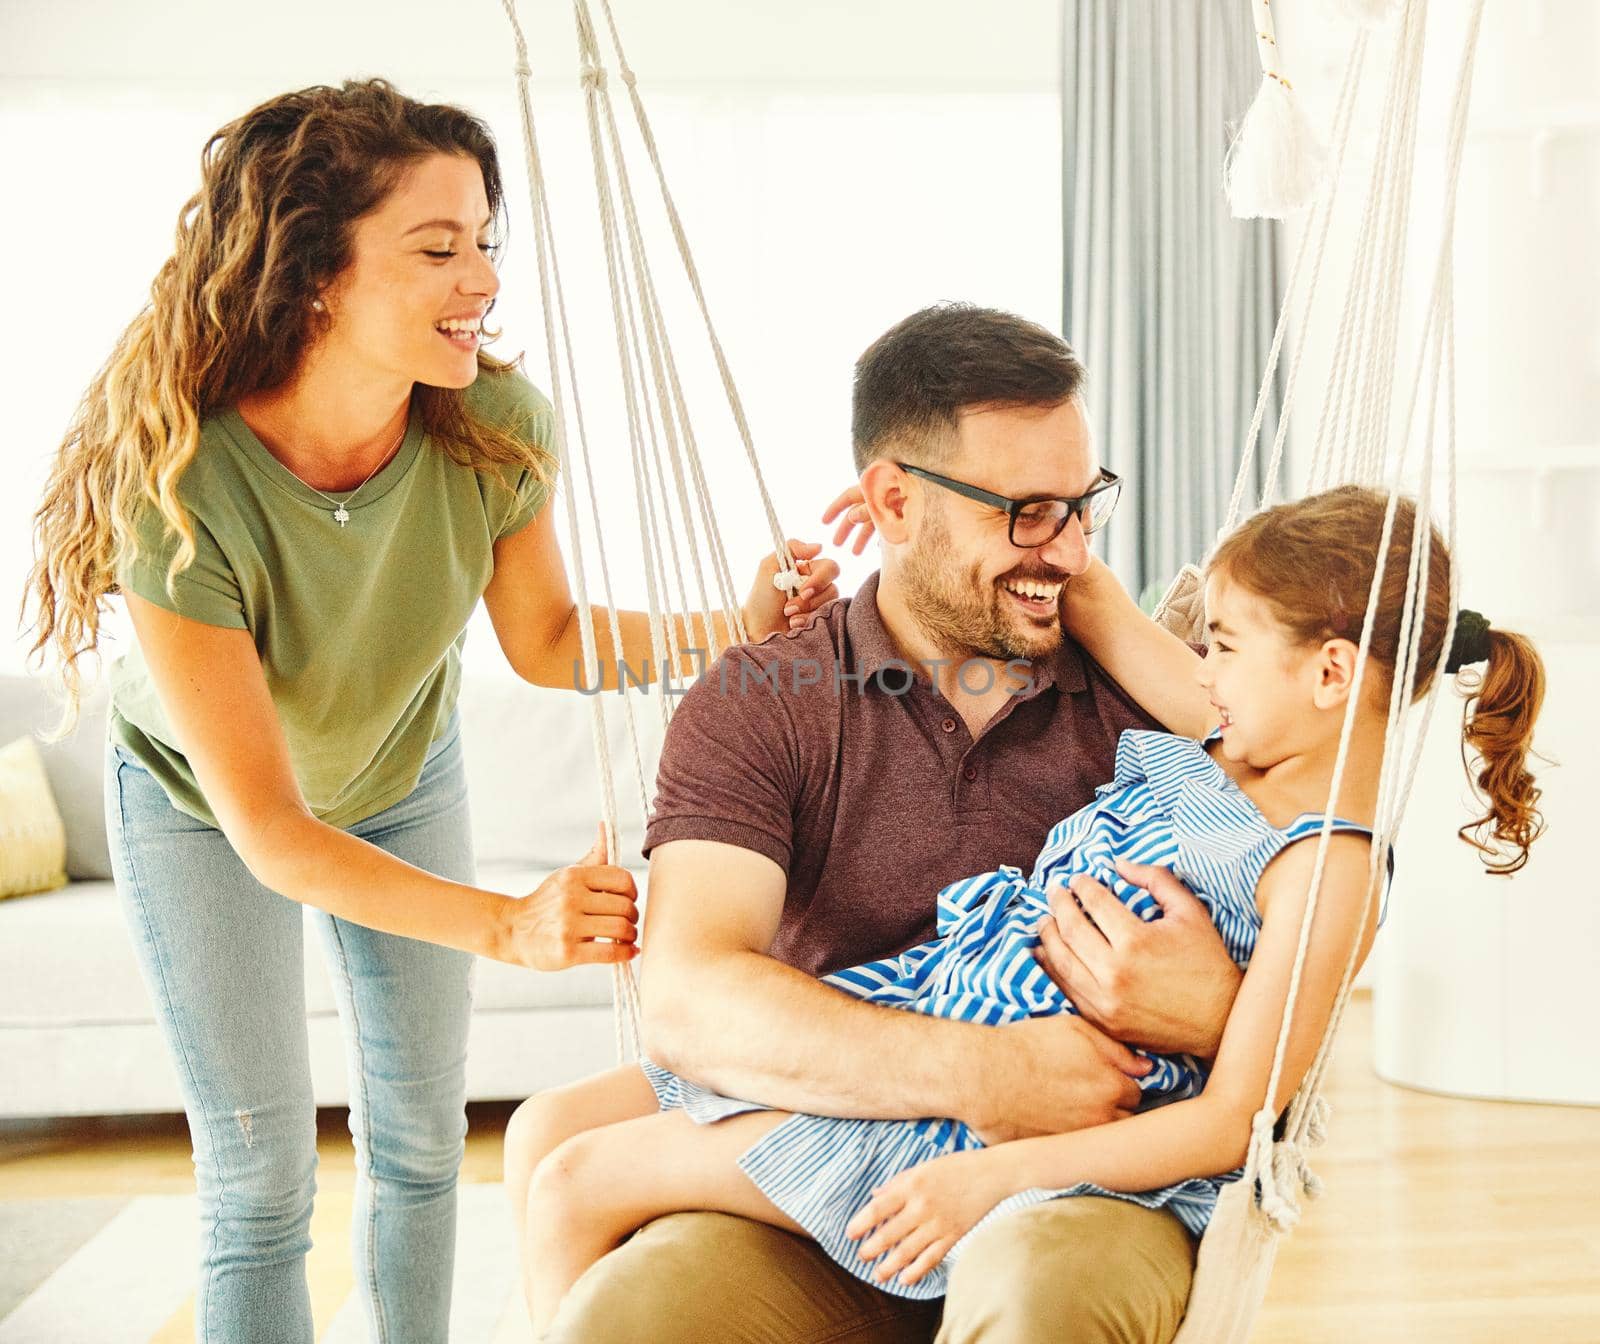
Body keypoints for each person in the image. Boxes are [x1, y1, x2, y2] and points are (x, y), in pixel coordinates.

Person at [20, 78, 838, 1344]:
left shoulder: (493, 430)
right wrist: (508, 927)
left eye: (486, 244)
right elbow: (275, 836)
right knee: (257, 1184)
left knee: (414, 1143)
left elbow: (552, 642)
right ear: (318, 276)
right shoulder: (179, 489)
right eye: (437, 248)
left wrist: (732, 626)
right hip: (205, 812)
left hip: (403, 776)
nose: (483, 280)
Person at [506, 482, 1546, 1331]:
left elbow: (1236, 1121)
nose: (1200, 667)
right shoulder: (1227, 734)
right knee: (549, 1127)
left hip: (974, 1117)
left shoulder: (1326, 867)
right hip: (929, 1007)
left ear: (1327, 671)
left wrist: (997, 1176)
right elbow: (1095, 602)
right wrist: (921, 524)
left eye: (1223, 643)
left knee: (574, 1182)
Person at [505, 303, 1268, 1344]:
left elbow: (1315, 870)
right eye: (1025, 512)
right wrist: (987, 1075)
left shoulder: (1160, 696)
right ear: (895, 502)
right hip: (826, 1172)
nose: (1069, 550)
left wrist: (1220, 1010)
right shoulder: (765, 698)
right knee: (629, 1318)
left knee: (1038, 1293)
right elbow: (686, 998)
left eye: (1082, 507)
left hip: (1088, 1179)